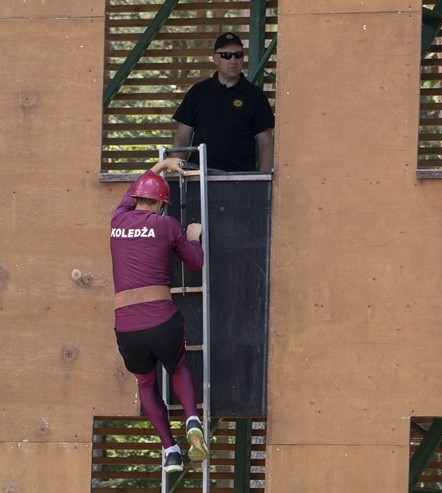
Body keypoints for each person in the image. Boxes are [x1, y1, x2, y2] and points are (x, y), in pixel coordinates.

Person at [110, 158, 209, 472]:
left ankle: (170, 451)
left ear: (136, 198)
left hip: (127, 326)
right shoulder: (167, 225)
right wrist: (193, 236)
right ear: (161, 204)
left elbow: (136, 188)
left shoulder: (117, 220)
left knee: (145, 384)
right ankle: (192, 420)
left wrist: (162, 165)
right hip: (161, 320)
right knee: (177, 364)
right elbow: (194, 262)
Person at [172, 32, 275, 172]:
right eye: (226, 55)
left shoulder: (255, 96)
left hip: (240, 180)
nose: (233, 60)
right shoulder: (198, 92)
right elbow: (182, 138)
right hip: (199, 177)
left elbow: (266, 144)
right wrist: (177, 173)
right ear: (215, 59)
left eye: (238, 55)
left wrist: (263, 183)